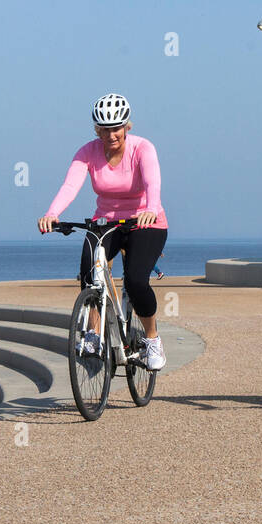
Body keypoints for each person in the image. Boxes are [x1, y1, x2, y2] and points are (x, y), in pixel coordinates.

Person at [37, 93, 169, 370]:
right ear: (97, 129)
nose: (111, 135)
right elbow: (70, 186)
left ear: (127, 127)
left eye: (116, 128)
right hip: (105, 223)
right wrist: (52, 213)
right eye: (105, 129)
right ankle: (94, 334)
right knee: (89, 274)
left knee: (135, 281)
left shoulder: (143, 148)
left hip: (145, 221)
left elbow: (152, 181)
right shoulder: (87, 152)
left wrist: (151, 208)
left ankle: (152, 340)